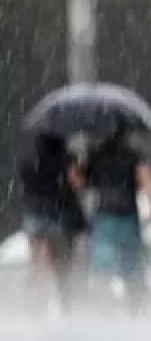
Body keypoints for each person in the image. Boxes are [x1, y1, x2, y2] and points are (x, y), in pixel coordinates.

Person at [84, 126, 151, 311]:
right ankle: (136, 309)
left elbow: (82, 182)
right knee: (132, 269)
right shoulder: (133, 155)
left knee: (103, 269)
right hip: (128, 216)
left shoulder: (96, 154)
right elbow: (145, 178)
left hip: (105, 218)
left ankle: (104, 309)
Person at [18, 133, 87, 316]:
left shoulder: (28, 162)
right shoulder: (66, 160)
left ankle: (34, 304)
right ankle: (65, 303)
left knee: (37, 262)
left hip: (34, 215)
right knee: (62, 265)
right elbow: (77, 184)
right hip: (59, 215)